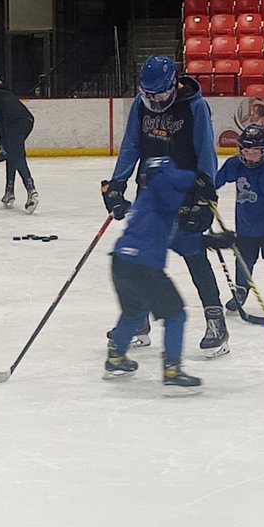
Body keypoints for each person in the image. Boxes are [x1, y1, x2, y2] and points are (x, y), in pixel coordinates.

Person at [102, 55, 230, 356]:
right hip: (151, 193)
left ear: (174, 83)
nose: (154, 100)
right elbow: (132, 143)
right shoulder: (139, 104)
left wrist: (205, 192)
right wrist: (117, 182)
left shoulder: (194, 105)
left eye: (159, 94)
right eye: (148, 94)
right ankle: (139, 322)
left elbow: (205, 149)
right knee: (142, 258)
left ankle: (216, 323)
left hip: (185, 189)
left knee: (195, 254)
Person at [103, 156, 215, 395]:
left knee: (134, 311)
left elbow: (170, 237)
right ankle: (172, 371)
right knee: (176, 315)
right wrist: (199, 180)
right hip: (144, 266)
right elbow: (177, 235)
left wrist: (209, 241)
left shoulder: (147, 200)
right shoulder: (169, 195)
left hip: (121, 262)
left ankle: (115, 358)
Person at [215, 123, 264, 322]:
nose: (248, 155)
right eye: (245, 149)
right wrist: (203, 190)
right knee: (243, 261)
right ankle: (241, 291)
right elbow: (218, 179)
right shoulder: (236, 164)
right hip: (246, 227)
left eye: (254, 152)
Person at [0, 74, 38, 213]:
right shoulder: (5, 93)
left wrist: (3, 142)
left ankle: (31, 191)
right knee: (13, 152)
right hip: (28, 120)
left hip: (13, 123)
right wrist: (5, 144)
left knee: (16, 155)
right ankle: (9, 191)